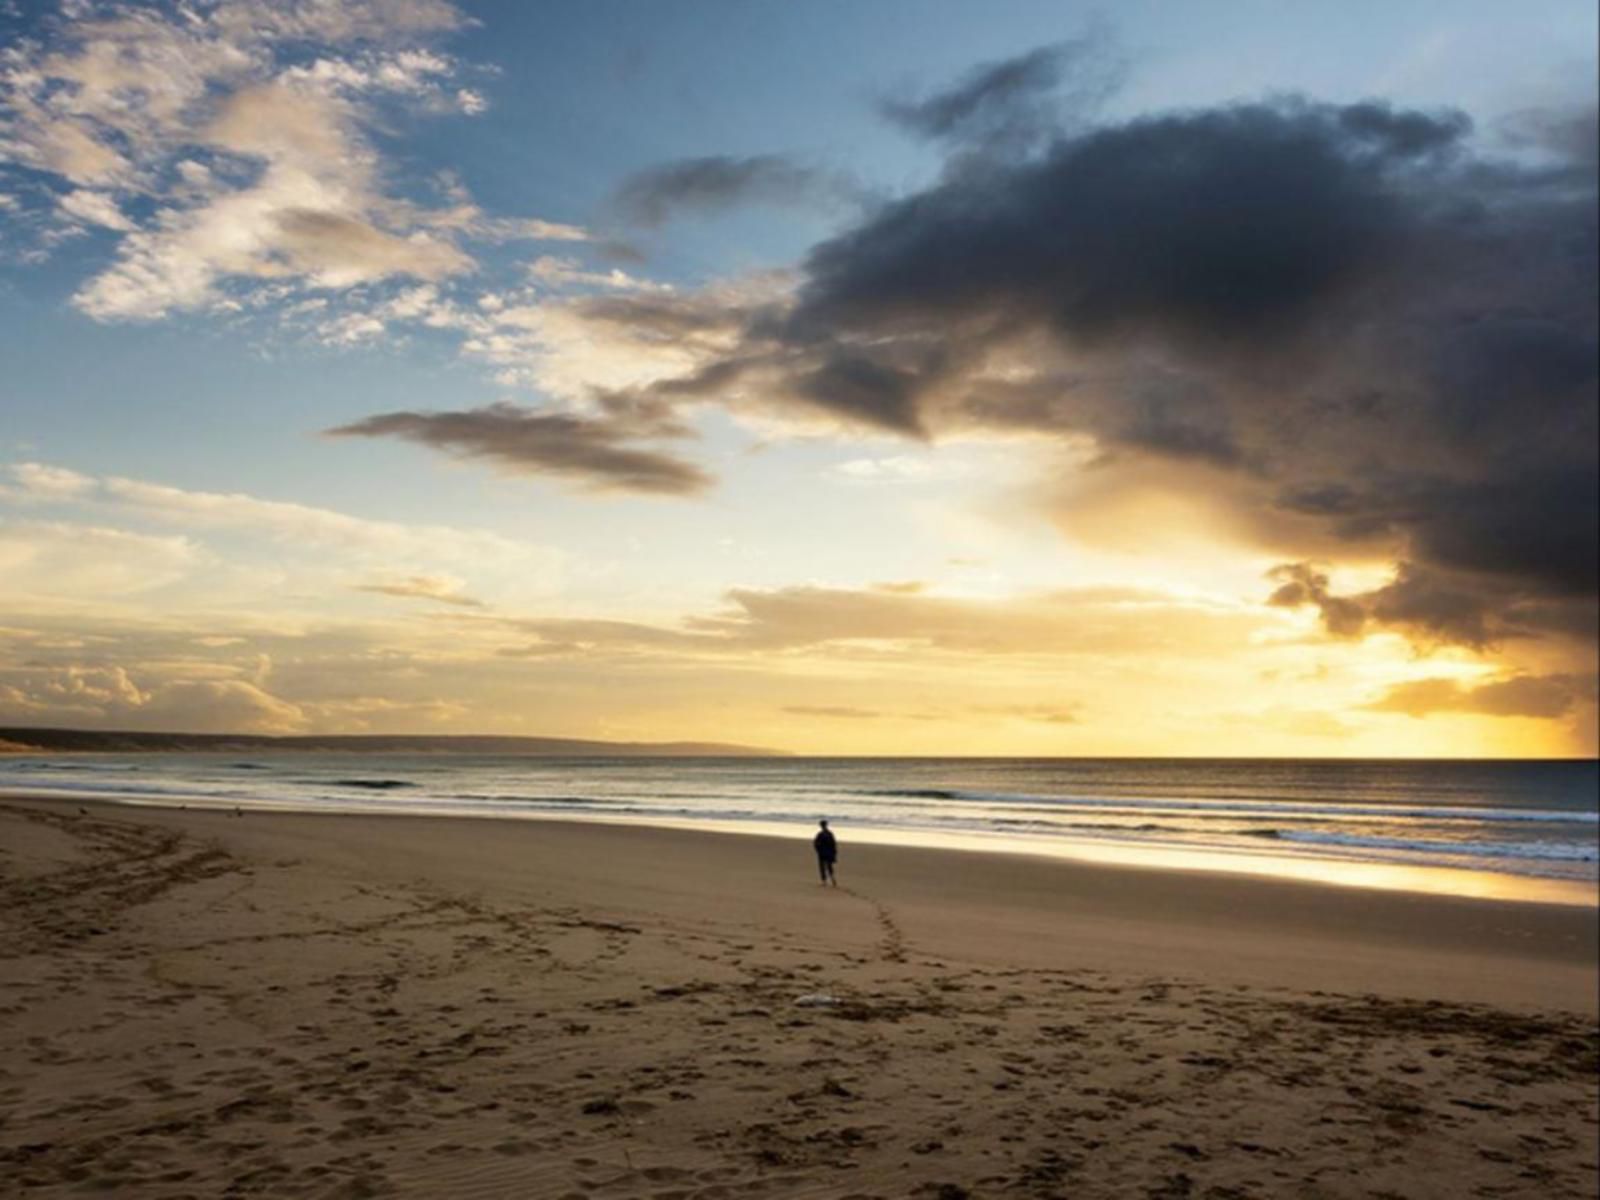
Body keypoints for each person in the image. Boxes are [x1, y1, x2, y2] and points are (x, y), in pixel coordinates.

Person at [813, 819, 838, 886]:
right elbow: (834, 844)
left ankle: (824, 881)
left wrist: (818, 850)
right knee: (829, 866)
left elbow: (815, 843)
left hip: (822, 852)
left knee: (822, 866)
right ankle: (832, 878)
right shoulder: (830, 834)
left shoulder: (820, 834)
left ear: (821, 826)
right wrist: (834, 852)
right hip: (829, 852)